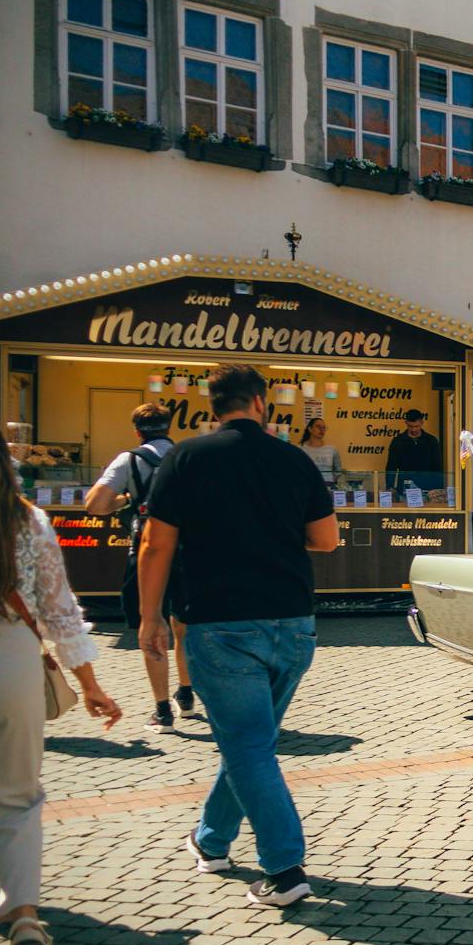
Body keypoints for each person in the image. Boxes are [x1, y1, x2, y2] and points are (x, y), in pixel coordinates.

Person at [138, 364, 340, 907]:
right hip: (294, 623)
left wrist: (149, 617)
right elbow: (325, 540)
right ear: (261, 403)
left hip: (220, 623)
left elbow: (156, 545)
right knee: (250, 742)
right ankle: (211, 841)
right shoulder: (293, 458)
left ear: (213, 405)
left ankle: (284, 869)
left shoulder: (186, 457)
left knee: (248, 745)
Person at [0, 413, 122, 945]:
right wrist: (88, 683)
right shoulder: (27, 520)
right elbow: (60, 610)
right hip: (10, 656)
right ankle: (25, 920)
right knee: (16, 800)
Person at [82, 402, 195, 733]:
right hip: (187, 551)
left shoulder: (128, 460)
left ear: (137, 431)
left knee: (152, 626)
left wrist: (128, 500)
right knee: (183, 627)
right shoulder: (188, 456)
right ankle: (186, 695)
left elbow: (96, 505)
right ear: (169, 427)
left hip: (146, 551)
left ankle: (163, 710)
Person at [383, 408, 442, 494]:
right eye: (410, 426)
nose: (413, 429)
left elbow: (438, 466)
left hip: (428, 487)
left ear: (422, 423)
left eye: (416, 426)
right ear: (406, 423)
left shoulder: (431, 441)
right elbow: (391, 467)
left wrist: (438, 488)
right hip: (404, 486)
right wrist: (390, 487)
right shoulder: (398, 441)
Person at [300, 418, 342, 486]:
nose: (321, 430)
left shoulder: (332, 449)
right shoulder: (301, 449)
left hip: (327, 487)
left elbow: (338, 471)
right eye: (318, 427)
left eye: (324, 428)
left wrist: (330, 483)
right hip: (307, 486)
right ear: (310, 429)